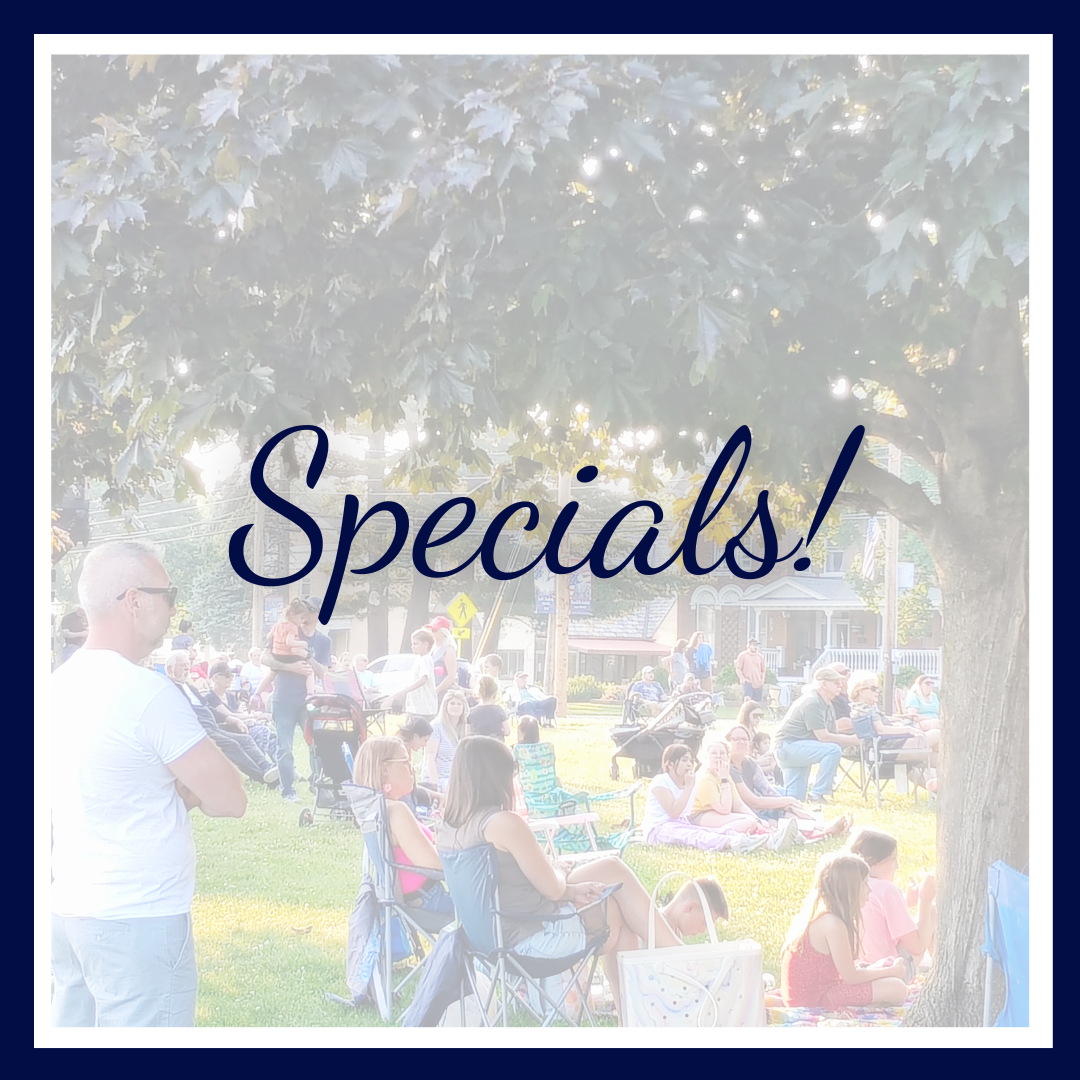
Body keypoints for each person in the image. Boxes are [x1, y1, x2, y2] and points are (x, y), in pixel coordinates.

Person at [51, 540, 246, 1027]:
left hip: (69, 909)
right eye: (170, 594)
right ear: (135, 600)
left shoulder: (52, 688)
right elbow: (230, 798)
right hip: (140, 919)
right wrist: (177, 785)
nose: (175, 608)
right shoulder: (148, 694)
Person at [435, 736, 687, 1025]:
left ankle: (634, 1016)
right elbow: (553, 890)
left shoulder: (446, 829)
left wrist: (567, 887)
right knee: (616, 909)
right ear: (498, 776)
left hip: (485, 941)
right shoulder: (503, 823)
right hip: (532, 940)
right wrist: (559, 871)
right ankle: (675, 966)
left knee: (609, 871)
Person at [780, 852, 909, 1008]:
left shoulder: (825, 917)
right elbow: (851, 977)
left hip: (815, 993)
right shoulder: (832, 924)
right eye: (864, 884)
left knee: (886, 981)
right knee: (896, 988)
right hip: (815, 1000)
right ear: (849, 889)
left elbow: (846, 972)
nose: (869, 890)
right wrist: (891, 971)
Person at [354, 736, 454, 918]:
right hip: (428, 898)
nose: (413, 769)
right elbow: (435, 864)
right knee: (501, 905)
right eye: (406, 762)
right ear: (385, 770)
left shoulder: (380, 807)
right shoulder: (395, 811)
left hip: (418, 896)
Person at [165, 653, 280, 787]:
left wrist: (230, 718)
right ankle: (265, 779)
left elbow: (209, 708)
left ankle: (266, 766)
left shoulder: (189, 687)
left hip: (213, 726)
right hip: (198, 729)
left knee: (245, 739)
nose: (187, 668)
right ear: (170, 669)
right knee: (232, 744)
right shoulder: (170, 689)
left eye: (187, 664)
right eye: (182, 665)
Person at [261, 595, 331, 803]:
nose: (308, 613)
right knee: (284, 746)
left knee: (316, 745)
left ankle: (317, 785)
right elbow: (266, 658)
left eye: (312, 610)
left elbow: (323, 673)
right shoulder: (286, 628)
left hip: (308, 700)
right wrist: (290, 667)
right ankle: (288, 790)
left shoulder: (323, 640)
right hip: (283, 696)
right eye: (305, 609)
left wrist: (308, 656)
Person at [726, 725, 850, 837]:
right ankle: (822, 830)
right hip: (743, 813)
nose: (741, 742)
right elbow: (753, 801)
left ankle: (823, 828)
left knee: (793, 813)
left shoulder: (750, 763)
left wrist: (788, 806)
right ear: (728, 742)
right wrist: (787, 800)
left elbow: (768, 790)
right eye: (736, 739)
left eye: (744, 739)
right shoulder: (728, 768)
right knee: (776, 821)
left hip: (759, 809)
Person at [642, 744, 769, 853]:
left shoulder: (690, 783)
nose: (689, 765)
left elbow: (737, 805)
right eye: (684, 760)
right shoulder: (661, 781)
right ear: (669, 764)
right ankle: (734, 842)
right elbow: (674, 813)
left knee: (710, 832)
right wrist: (688, 788)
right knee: (695, 835)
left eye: (691, 761)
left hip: (682, 824)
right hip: (659, 829)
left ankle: (762, 841)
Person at [847, 828, 936, 974]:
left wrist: (906, 902)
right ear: (874, 862)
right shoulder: (887, 890)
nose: (897, 866)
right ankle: (941, 972)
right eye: (893, 859)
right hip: (889, 973)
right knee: (932, 911)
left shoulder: (849, 884)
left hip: (858, 970)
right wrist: (925, 900)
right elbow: (917, 946)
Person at [774, 667, 861, 803]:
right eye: (835, 682)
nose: (840, 685)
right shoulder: (812, 702)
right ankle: (817, 794)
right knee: (832, 750)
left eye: (840, 682)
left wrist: (851, 743)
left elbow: (833, 735)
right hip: (787, 747)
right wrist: (852, 740)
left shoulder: (827, 704)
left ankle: (756, 789)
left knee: (794, 797)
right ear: (823, 684)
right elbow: (823, 737)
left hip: (797, 747)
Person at [689, 735, 783, 841]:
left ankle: (769, 835)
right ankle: (723, 837)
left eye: (722, 753)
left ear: (728, 756)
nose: (718, 756)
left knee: (757, 821)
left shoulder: (724, 774)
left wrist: (758, 820)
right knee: (748, 822)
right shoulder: (705, 778)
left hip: (718, 813)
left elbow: (738, 804)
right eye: (714, 753)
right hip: (700, 815)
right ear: (706, 757)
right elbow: (724, 809)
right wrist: (724, 780)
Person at [846, 672, 935, 775]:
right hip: (888, 749)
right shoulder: (866, 709)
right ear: (861, 691)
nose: (877, 691)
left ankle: (941, 787)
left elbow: (879, 725)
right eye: (873, 688)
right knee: (936, 734)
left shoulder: (860, 708)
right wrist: (908, 729)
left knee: (935, 756)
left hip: (884, 748)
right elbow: (881, 730)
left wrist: (895, 721)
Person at [205, 661, 278, 763]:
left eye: (231, 675)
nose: (230, 678)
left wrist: (253, 715)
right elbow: (229, 715)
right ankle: (261, 765)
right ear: (215, 678)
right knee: (261, 731)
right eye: (226, 675)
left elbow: (241, 713)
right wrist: (256, 716)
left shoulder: (229, 695)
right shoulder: (210, 697)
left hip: (240, 726)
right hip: (226, 729)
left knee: (271, 735)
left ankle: (285, 768)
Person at [423, 689, 469, 792]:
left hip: (459, 777)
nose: (455, 707)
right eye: (452, 703)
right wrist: (436, 784)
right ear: (445, 706)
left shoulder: (466, 728)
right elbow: (430, 758)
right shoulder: (436, 727)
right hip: (441, 777)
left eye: (459, 704)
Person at [268, 597, 315, 696]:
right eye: (301, 618)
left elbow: (269, 636)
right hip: (287, 654)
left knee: (272, 672)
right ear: (293, 614)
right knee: (310, 671)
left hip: (276, 653)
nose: (302, 621)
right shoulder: (292, 626)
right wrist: (302, 643)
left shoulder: (278, 623)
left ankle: (258, 692)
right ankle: (311, 693)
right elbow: (289, 642)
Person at [393, 628, 438, 724]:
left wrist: (405, 691)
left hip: (423, 708)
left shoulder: (425, 659)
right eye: (412, 644)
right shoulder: (420, 659)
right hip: (416, 706)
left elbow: (423, 679)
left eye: (416, 644)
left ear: (426, 644)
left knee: (411, 733)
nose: (412, 647)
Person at [466, 674, 510, 740]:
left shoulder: (471, 712)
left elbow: (468, 733)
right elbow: (507, 732)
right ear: (495, 694)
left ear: (479, 693)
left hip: (477, 745)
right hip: (496, 746)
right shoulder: (499, 710)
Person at [428, 616, 459, 702]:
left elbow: (451, 676)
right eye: (431, 630)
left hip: (445, 694)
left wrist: (436, 690)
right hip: (433, 692)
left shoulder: (448, 650)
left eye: (434, 630)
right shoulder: (433, 649)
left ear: (443, 632)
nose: (432, 633)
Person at [904, 675, 942, 740]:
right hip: (917, 723)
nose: (930, 685)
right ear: (919, 685)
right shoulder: (913, 696)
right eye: (927, 683)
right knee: (936, 723)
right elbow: (913, 716)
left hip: (936, 720)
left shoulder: (934, 696)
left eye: (932, 683)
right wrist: (930, 718)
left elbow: (939, 711)